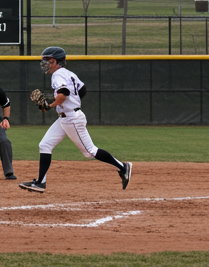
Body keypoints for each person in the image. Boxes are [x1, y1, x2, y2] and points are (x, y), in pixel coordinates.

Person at [19, 46, 132, 193]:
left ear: (56, 61)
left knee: (90, 152)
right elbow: (82, 90)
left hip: (71, 118)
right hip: (66, 117)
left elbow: (63, 93)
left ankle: (123, 167)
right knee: (45, 145)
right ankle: (40, 182)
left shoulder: (57, 75)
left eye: (48, 60)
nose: (45, 63)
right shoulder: (68, 73)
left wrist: (51, 105)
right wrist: (72, 102)